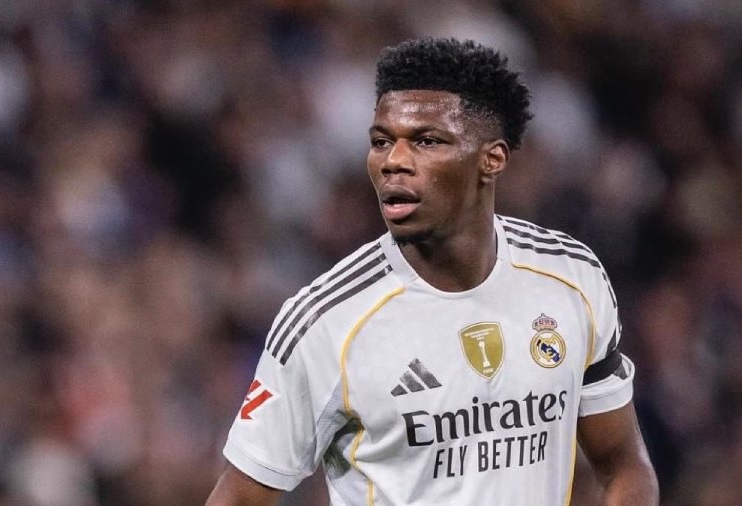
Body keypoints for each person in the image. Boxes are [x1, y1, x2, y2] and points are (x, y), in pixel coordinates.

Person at [206, 38, 658, 505]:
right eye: (381, 141)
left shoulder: (571, 277)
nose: (393, 161)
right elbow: (237, 497)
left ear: (492, 159)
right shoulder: (325, 322)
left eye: (426, 141)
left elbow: (625, 464)